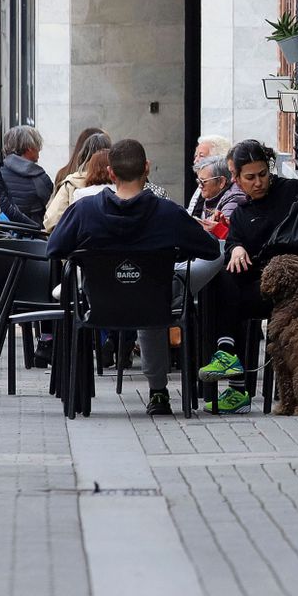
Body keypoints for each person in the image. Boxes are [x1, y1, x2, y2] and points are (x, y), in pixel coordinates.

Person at [47, 139, 221, 416]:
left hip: (100, 305)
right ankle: (159, 392)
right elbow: (211, 250)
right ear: (147, 168)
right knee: (156, 290)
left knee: (143, 291)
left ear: (111, 174)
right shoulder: (168, 213)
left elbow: (54, 248)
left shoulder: (84, 211)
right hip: (157, 303)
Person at [198, 139, 298, 414]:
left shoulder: (293, 191)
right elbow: (233, 240)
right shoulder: (243, 212)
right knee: (223, 277)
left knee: (231, 289)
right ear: (237, 179)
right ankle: (228, 356)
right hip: (266, 288)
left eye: (263, 174)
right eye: (250, 178)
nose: (258, 183)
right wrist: (236, 249)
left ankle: (236, 380)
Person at [43, 131, 111, 231]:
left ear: (83, 154)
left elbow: (52, 220)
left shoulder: (72, 183)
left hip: (78, 243)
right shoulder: (121, 184)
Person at [1, 125, 53, 227]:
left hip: (3, 232)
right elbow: (51, 207)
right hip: (34, 234)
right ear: (29, 148)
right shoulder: (40, 178)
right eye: (37, 146)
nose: (39, 150)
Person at [188, 155, 243, 227]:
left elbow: (226, 235)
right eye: (198, 181)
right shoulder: (212, 196)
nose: (200, 186)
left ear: (221, 182)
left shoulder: (233, 200)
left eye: (203, 181)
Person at [186, 134, 233, 212]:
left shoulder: (231, 194)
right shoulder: (203, 186)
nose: (195, 161)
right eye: (195, 156)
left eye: (201, 156)